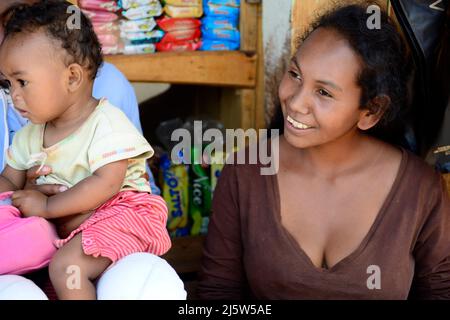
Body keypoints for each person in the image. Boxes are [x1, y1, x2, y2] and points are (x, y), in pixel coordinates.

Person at [197, 2, 450, 299]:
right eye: (295, 74)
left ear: (371, 111)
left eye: (323, 92)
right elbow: (217, 293)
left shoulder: (418, 189)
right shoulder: (247, 172)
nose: (295, 102)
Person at [0, 0, 171, 299]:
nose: (14, 95)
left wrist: (47, 207)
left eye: (22, 82)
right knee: (55, 279)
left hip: (122, 214)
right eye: (8, 83)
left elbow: (107, 182)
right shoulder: (29, 135)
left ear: (72, 77)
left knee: (67, 268)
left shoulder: (106, 123)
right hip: (76, 228)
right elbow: (9, 181)